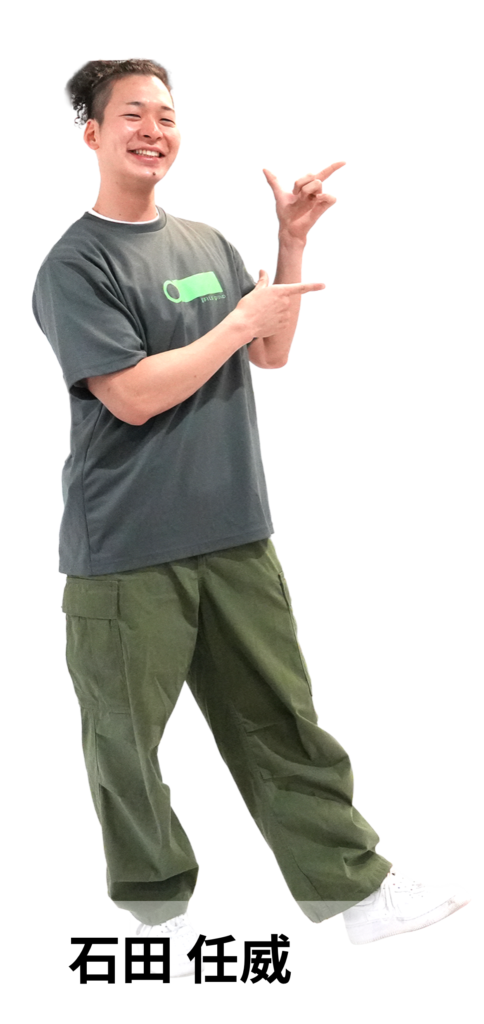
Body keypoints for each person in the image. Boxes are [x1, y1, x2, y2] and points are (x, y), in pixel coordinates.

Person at [31, 58, 469, 976]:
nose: (153, 130)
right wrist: (233, 322)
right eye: (132, 115)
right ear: (93, 133)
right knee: (125, 743)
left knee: (282, 720)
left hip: (233, 531)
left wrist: (290, 241)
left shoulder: (206, 242)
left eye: (166, 115)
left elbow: (270, 351)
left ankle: (353, 892)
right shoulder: (77, 263)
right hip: (127, 548)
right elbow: (131, 396)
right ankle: (153, 913)